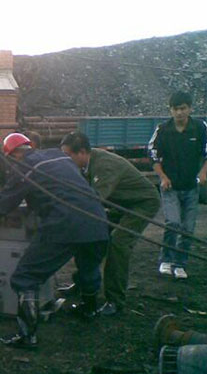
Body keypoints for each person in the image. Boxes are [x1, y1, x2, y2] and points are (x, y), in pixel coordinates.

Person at [0, 133, 109, 348]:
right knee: (88, 266)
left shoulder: (25, 166)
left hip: (65, 224)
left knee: (25, 277)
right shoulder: (59, 157)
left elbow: (7, 199)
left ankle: (28, 335)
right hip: (97, 221)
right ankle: (90, 310)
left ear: (13, 155)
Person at [61, 132, 161, 315]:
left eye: (68, 156)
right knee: (90, 237)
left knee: (118, 244)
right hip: (121, 202)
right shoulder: (87, 162)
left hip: (142, 203)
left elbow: (93, 200)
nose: (66, 160)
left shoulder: (104, 166)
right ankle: (83, 283)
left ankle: (115, 300)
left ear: (82, 152)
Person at [148, 91, 207, 279]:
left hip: (191, 188)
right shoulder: (162, 130)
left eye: (183, 108)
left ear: (190, 108)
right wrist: (162, 177)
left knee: (188, 228)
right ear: (170, 110)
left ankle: (180, 264)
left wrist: (203, 172)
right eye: (175, 109)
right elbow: (153, 155)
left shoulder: (200, 128)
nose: (179, 112)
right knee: (173, 223)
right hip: (170, 188)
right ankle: (166, 260)